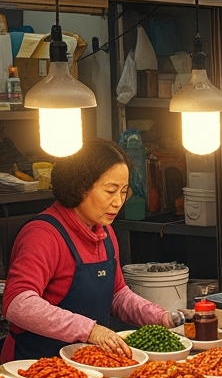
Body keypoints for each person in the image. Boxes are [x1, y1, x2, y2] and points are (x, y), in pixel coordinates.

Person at [1, 139, 175, 361]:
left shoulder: (105, 232)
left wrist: (162, 318)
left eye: (123, 191)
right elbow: (18, 304)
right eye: (110, 191)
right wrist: (91, 330)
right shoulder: (43, 234)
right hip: (34, 367)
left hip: (87, 367)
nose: (118, 202)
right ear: (80, 186)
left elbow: (117, 295)